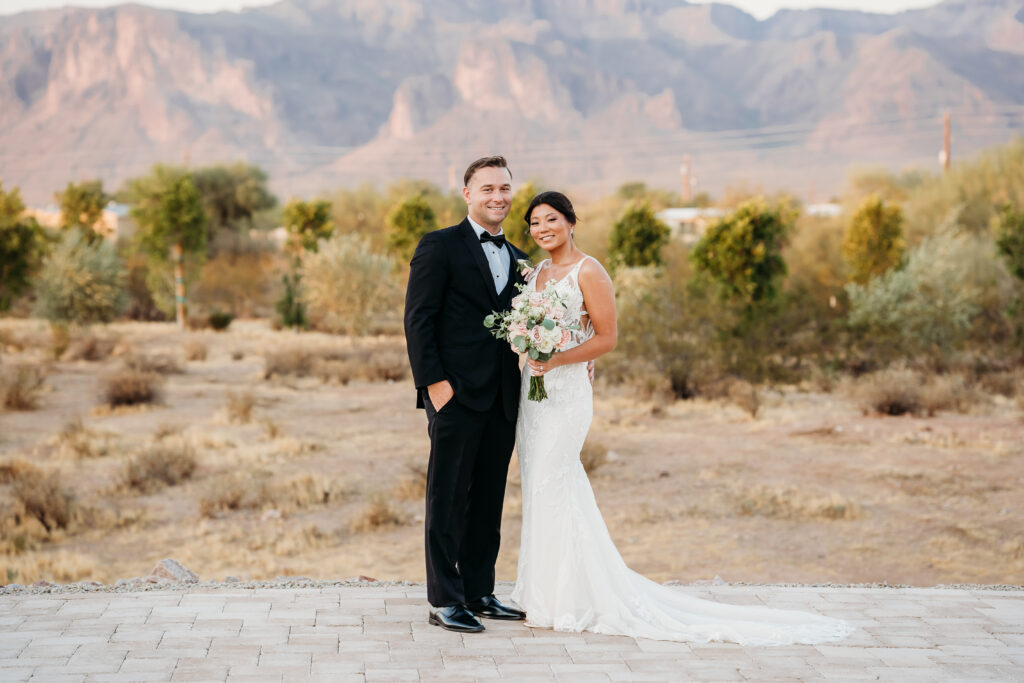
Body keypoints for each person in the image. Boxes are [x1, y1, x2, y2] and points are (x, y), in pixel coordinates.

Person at [510, 191, 853, 645]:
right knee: (538, 485)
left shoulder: (588, 271)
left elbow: (608, 338)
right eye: (534, 223)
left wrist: (558, 360)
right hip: (533, 396)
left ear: (572, 222)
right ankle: (545, 595)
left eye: (551, 219)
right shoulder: (535, 274)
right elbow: (528, 328)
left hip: (566, 392)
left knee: (556, 480)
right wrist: (528, 346)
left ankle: (576, 597)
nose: (542, 229)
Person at [403, 156, 529, 632]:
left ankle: (479, 591)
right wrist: (435, 386)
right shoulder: (439, 246)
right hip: (453, 395)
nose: (498, 197)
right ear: (468, 195)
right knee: (447, 497)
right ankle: (444, 599)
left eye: (505, 189)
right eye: (488, 188)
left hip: (502, 397)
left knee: (488, 499)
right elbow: (418, 319)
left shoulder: (519, 258)